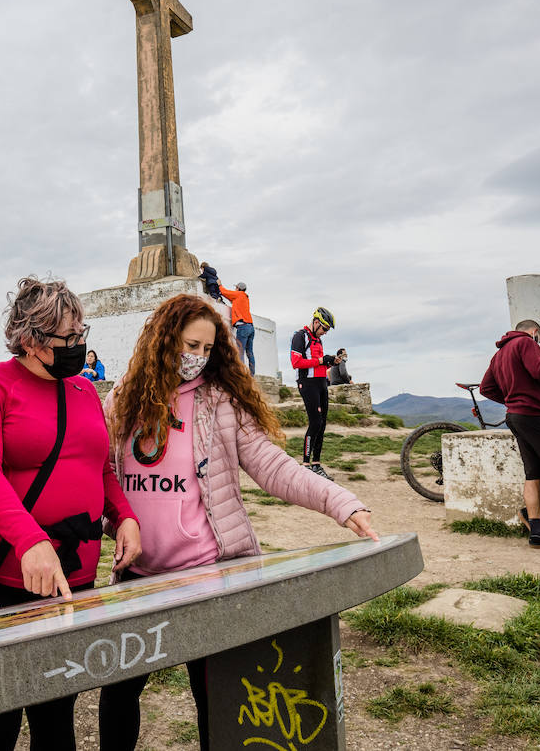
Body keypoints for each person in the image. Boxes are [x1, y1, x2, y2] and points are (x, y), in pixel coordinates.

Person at [98, 294, 376, 751]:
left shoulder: (221, 401)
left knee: (216, 698)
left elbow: (274, 466)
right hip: (140, 578)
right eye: (191, 345)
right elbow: (100, 472)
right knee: (120, 692)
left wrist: (342, 503)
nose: (198, 358)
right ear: (164, 340)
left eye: (208, 349)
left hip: (209, 575)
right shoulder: (123, 399)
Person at [0, 277, 142, 751]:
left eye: (81, 336)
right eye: (67, 339)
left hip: (72, 578)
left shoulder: (83, 391)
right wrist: (29, 540)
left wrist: (125, 516)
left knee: (57, 714)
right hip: (4, 576)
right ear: (30, 339)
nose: (78, 347)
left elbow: (100, 468)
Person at [479, 319, 540, 547]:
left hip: (515, 416)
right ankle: (528, 512)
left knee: (534, 473)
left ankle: (537, 532)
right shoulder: (527, 343)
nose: (539, 342)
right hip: (535, 414)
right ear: (534, 332)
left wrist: (512, 400)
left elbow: (486, 388)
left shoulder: (499, 354)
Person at [289, 307, 338, 478]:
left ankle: (316, 464)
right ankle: (305, 464)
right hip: (307, 383)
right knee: (315, 422)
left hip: (321, 382)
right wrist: (320, 360)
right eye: (324, 328)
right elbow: (296, 362)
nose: (325, 333)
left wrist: (330, 362)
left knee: (322, 423)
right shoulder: (300, 336)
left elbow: (318, 364)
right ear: (316, 322)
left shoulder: (318, 340)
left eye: (327, 330)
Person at [218, 280, 255, 372]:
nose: (235, 289)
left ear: (238, 288)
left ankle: (241, 373)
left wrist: (220, 285)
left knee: (240, 351)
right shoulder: (245, 298)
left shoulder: (239, 294)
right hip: (250, 326)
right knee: (249, 352)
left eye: (236, 288)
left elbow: (224, 292)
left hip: (243, 327)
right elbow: (235, 302)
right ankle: (251, 374)